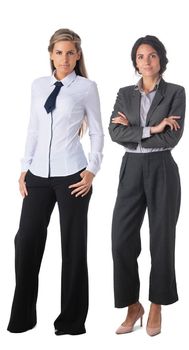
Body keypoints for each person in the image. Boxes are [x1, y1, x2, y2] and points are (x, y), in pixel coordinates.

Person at [7, 28, 104, 335]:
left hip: (73, 176)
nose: (64, 58)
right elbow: (34, 128)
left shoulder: (86, 88)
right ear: (51, 53)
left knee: (73, 248)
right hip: (37, 176)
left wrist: (91, 170)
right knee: (26, 242)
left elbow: (98, 132)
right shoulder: (38, 85)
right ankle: (22, 318)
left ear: (78, 56)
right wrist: (25, 167)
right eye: (59, 52)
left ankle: (71, 322)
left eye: (70, 53)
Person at [109, 35, 185, 337]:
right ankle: (132, 305)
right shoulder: (125, 93)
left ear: (161, 59)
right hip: (131, 167)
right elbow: (115, 132)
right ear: (135, 62)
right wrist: (154, 126)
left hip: (162, 167)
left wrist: (133, 130)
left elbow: (172, 138)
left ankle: (156, 304)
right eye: (140, 57)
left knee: (161, 239)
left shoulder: (175, 92)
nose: (146, 62)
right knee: (121, 240)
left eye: (152, 56)